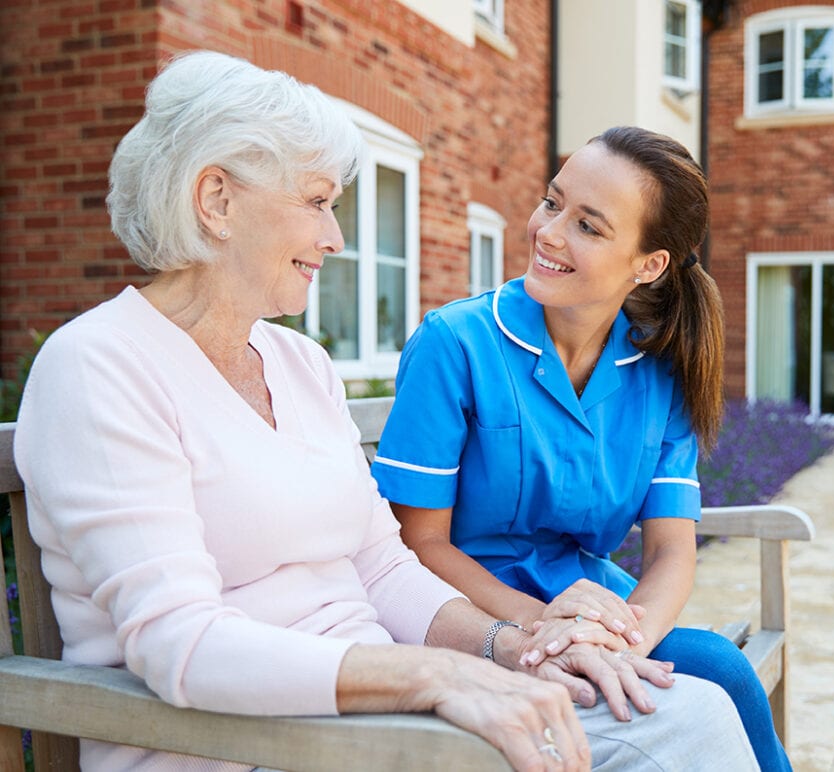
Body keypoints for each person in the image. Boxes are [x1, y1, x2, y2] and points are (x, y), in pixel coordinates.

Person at [13, 52, 759, 771]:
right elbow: (181, 645)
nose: (335, 238)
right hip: (246, 744)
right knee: (675, 735)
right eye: (316, 203)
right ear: (217, 201)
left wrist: (510, 649)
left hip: (381, 711)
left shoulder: (298, 364)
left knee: (694, 711)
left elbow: (383, 566)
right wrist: (439, 678)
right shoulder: (100, 366)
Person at [371, 126, 791, 771]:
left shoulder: (660, 370)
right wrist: (547, 632)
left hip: (592, 605)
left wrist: (624, 640)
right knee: (691, 689)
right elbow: (418, 544)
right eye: (552, 202)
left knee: (719, 671)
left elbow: (673, 549)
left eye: (589, 227)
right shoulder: (455, 342)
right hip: (464, 615)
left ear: (648, 265)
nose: (549, 231)